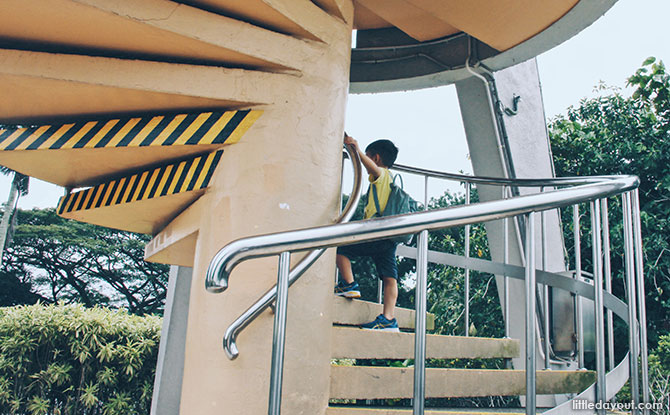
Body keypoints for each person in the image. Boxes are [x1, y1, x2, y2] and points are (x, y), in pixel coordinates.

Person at [335, 133, 400, 332]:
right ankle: (389, 319)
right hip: (390, 236)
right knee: (390, 278)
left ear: (377, 158)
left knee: (339, 247)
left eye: (371, 157)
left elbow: (370, 168)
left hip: (377, 232)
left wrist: (355, 148)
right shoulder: (393, 181)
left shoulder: (382, 175)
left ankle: (349, 284)